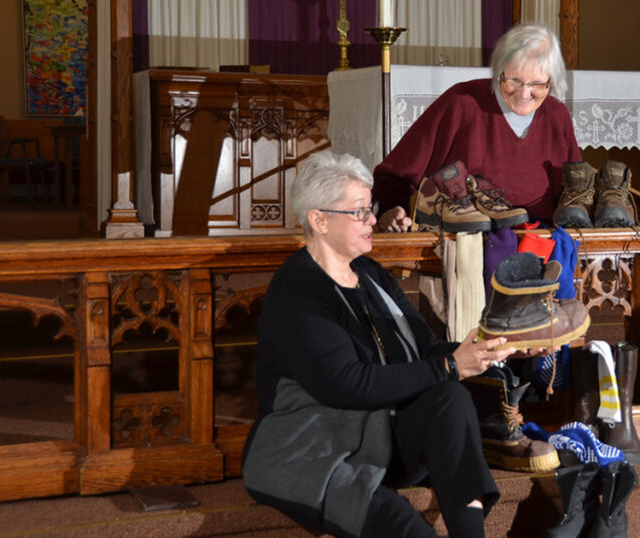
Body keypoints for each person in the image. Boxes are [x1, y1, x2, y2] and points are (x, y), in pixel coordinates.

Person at [241, 150, 518, 538]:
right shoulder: (297, 291)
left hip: (383, 436)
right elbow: (348, 384)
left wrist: (489, 350)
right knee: (402, 525)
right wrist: (450, 366)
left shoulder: (369, 273)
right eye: (358, 212)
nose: (373, 219)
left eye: (369, 207)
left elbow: (425, 348)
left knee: (450, 398)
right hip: (318, 447)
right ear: (318, 220)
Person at [375, 23, 582, 232]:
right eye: (515, 80)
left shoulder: (556, 115)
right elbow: (395, 174)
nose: (524, 93)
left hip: (540, 238)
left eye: (537, 84)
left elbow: (577, 190)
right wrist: (392, 209)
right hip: (468, 239)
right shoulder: (462, 103)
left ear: (552, 81)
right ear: (499, 71)